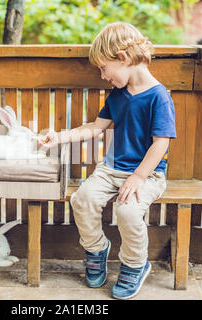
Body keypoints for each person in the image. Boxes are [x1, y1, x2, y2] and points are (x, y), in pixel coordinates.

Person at [38, 22, 176, 299]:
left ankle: (136, 264)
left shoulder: (159, 97)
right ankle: (97, 249)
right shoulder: (118, 95)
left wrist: (137, 177)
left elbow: (161, 143)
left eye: (103, 68)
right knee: (82, 199)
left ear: (123, 58)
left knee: (127, 211)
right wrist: (60, 137)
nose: (102, 76)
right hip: (111, 169)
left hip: (146, 175)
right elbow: (96, 127)